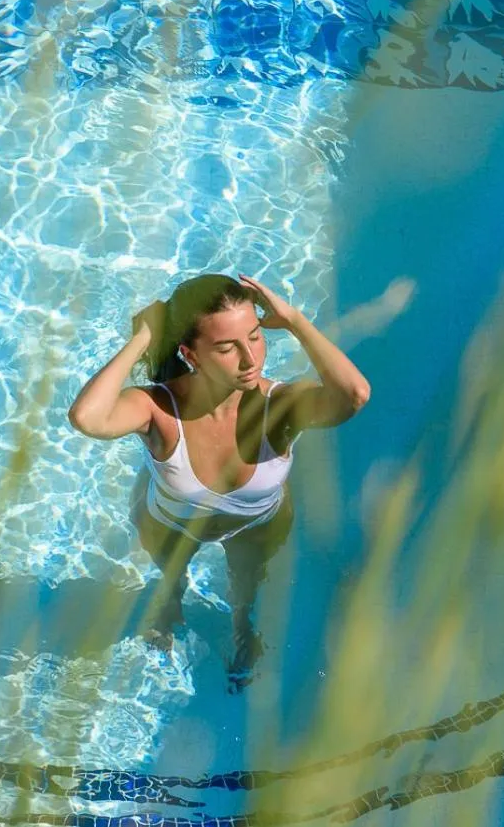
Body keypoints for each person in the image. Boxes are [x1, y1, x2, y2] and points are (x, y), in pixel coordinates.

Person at [67, 272, 372, 692]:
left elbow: (354, 394)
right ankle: (169, 604)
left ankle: (242, 627)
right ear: (190, 353)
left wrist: (296, 321)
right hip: (168, 523)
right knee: (171, 578)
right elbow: (87, 418)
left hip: (256, 525)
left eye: (255, 337)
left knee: (246, 591)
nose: (251, 360)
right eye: (228, 348)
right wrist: (142, 339)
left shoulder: (278, 407)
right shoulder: (158, 408)